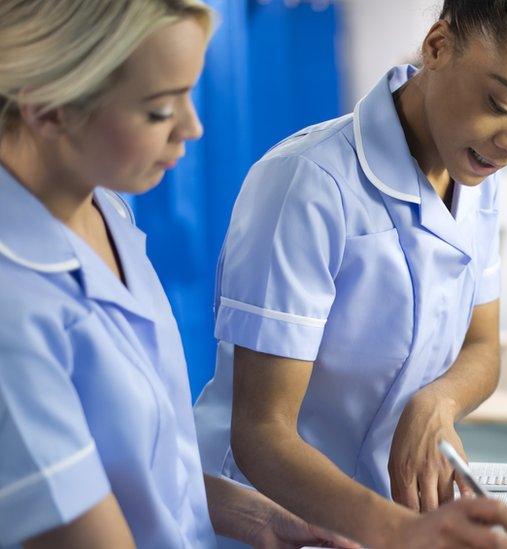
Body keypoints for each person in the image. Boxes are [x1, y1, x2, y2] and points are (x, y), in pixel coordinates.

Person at [192, 0, 507, 547]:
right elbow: (262, 434)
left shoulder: (475, 173)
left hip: (377, 520)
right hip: (267, 515)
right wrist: (403, 532)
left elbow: (483, 349)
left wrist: (437, 403)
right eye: (501, 104)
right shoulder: (308, 182)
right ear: (437, 47)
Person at [0, 1, 357, 547]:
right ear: (47, 109)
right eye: (160, 110)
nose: (192, 127)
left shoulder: (106, 210)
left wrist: (243, 512)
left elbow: (136, 470)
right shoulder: (13, 304)